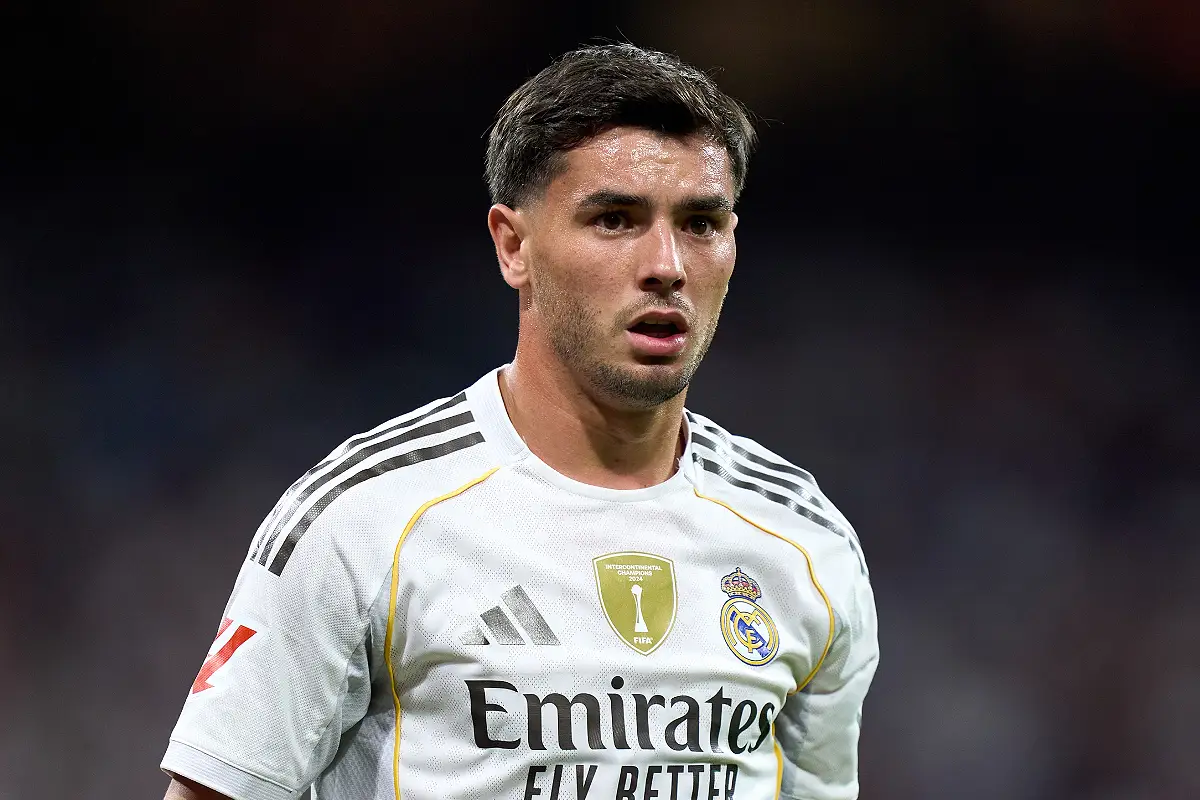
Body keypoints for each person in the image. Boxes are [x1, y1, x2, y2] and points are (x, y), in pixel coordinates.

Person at [162, 43, 878, 800]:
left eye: (701, 223)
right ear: (514, 245)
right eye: (614, 219)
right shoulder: (365, 521)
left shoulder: (804, 540)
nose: (666, 263)